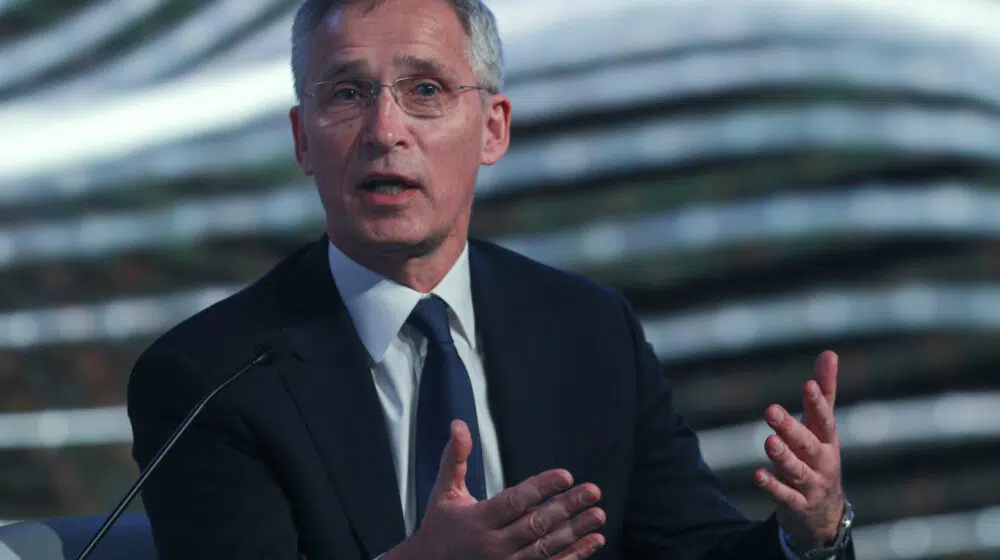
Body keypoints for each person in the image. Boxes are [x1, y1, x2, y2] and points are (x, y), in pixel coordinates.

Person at [126, 0, 856, 558]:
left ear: (493, 128)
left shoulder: (589, 332)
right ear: (301, 140)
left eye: (425, 89)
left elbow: (694, 552)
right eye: (347, 93)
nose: (385, 130)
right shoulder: (210, 377)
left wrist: (812, 535)